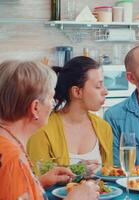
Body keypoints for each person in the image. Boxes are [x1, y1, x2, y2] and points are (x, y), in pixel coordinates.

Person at [0, 60, 99, 200]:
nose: (53, 104)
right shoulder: (13, 160)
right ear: (35, 108)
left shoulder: (6, 142)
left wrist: (38, 182)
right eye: (51, 98)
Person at [27, 56, 113, 172]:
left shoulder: (104, 128)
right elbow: (36, 180)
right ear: (77, 92)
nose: (106, 91)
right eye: (98, 86)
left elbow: (110, 177)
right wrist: (76, 172)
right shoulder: (42, 130)